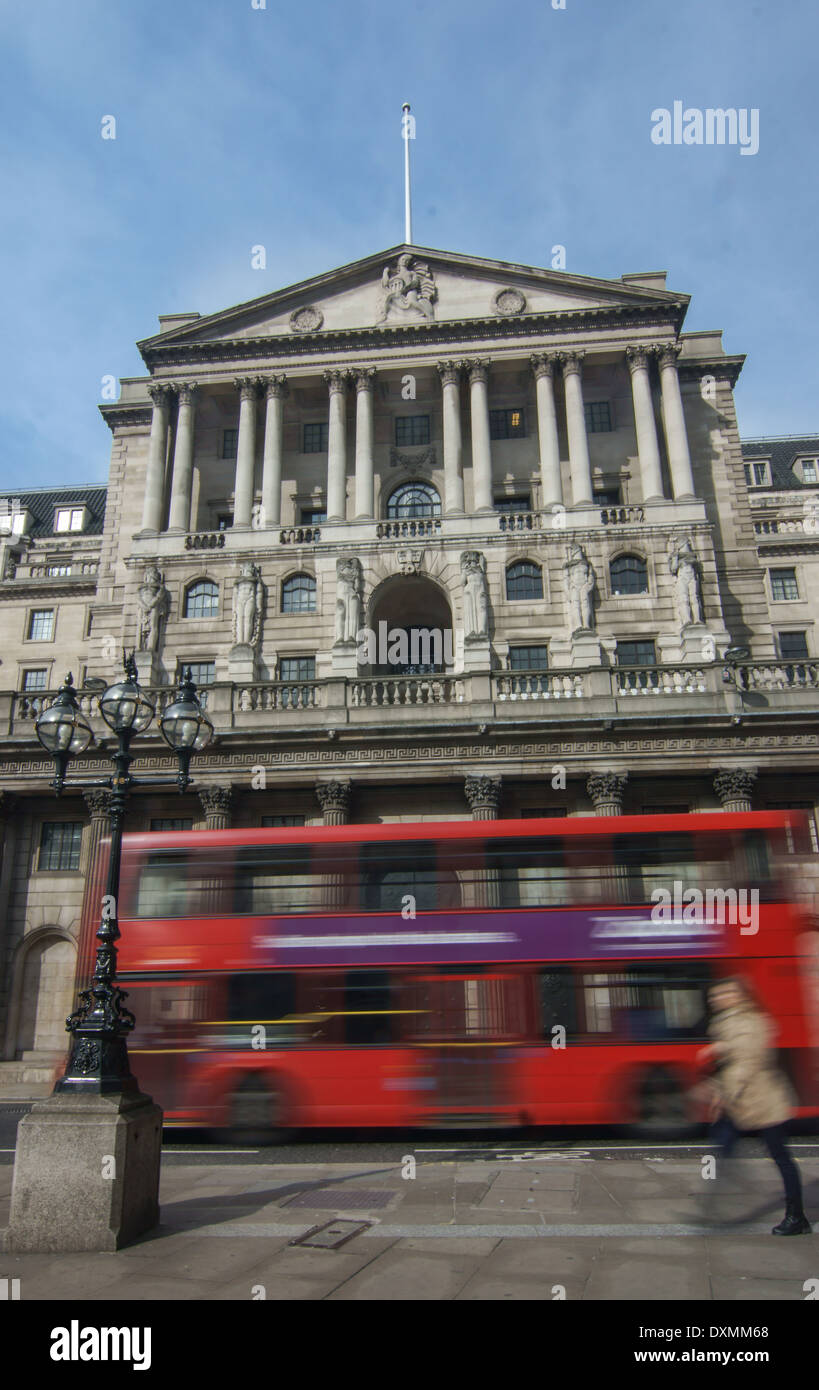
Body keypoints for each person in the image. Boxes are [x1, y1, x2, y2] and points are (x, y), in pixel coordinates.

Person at [697, 977, 811, 1235]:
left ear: (740, 996)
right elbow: (733, 1057)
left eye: (724, 993)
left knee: (780, 1158)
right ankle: (712, 1207)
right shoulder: (728, 1021)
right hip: (743, 1103)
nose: (717, 998)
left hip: (764, 1103)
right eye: (715, 994)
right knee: (723, 1148)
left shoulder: (749, 1022)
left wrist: (724, 1093)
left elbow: (746, 1063)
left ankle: (796, 1217)